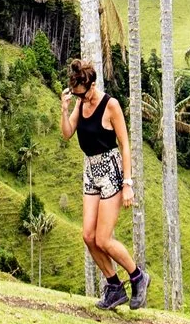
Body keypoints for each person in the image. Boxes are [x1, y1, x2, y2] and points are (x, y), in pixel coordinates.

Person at [60, 57, 146, 310]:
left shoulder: (111, 106)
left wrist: (128, 183)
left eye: (82, 95)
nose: (81, 99)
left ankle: (138, 277)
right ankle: (114, 287)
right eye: (76, 95)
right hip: (90, 170)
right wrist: (65, 109)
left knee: (104, 239)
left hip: (111, 170)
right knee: (88, 236)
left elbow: (125, 144)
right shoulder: (79, 103)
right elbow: (67, 134)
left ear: (92, 85)